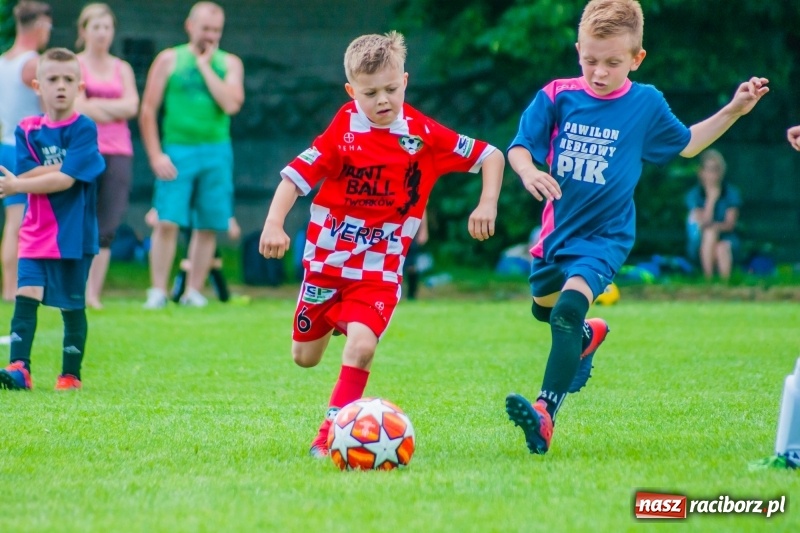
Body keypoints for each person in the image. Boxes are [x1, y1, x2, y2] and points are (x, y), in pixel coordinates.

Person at [505, 0, 768, 455]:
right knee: (545, 312)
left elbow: (687, 145)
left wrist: (734, 111)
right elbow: (519, 147)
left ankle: (545, 412)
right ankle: (588, 337)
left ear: (636, 58)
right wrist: (528, 171)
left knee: (567, 311)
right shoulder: (556, 95)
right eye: (590, 60)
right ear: (577, 51)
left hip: (605, 237)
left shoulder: (645, 103)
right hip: (556, 236)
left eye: (612, 62)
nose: (599, 72)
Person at [259, 31, 503, 458]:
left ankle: (328, 436)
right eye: (370, 93)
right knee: (305, 357)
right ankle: (338, 318)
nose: (383, 100)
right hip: (327, 265)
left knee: (363, 346)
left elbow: (491, 156)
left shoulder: (422, 133)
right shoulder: (343, 130)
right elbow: (295, 176)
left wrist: (487, 203)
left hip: (379, 272)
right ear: (352, 92)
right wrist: (274, 224)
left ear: (405, 81)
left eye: (391, 89)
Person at [0, 48, 105, 391]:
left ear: (80, 87)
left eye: (68, 80)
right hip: (35, 231)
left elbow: (66, 180)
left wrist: (20, 184)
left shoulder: (85, 129)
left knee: (71, 306)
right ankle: (19, 369)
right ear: (37, 86)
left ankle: (70, 376)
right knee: (25, 292)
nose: (61, 86)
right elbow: (32, 170)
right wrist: (59, 168)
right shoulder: (27, 129)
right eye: (53, 79)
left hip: (73, 236)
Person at [139, 1, 244, 309]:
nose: (210, 36)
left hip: (217, 151)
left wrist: (204, 66)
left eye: (216, 30)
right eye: (205, 29)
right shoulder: (169, 59)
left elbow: (231, 104)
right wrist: (156, 155)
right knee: (167, 220)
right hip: (177, 149)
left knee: (208, 222)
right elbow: (148, 110)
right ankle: (158, 290)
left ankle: (193, 292)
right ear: (190, 26)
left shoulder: (230, 63)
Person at [74, 2, 139, 309]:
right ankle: (73, 287)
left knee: (107, 224)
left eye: (107, 27)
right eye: (96, 27)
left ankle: (93, 294)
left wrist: (95, 107)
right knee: (78, 218)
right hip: (83, 150)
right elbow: (78, 106)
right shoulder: (74, 65)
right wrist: (111, 109)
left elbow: (132, 106)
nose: (102, 33)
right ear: (83, 30)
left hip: (118, 151)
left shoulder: (121, 68)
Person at [0, 1, 52, 302]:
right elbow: (47, 112)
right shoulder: (33, 63)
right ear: (40, 26)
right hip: (24, 151)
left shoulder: (4, 60)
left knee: (13, 222)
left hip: (5, 145)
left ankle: (11, 287)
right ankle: (12, 290)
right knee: (19, 223)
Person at [685, 149, 741, 282]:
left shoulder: (731, 194)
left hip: (727, 240)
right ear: (701, 172)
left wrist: (714, 227)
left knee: (722, 247)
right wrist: (711, 199)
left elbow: (729, 225)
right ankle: (709, 281)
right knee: (709, 233)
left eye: (717, 169)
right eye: (710, 169)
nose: (714, 174)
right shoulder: (694, 195)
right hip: (699, 242)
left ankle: (723, 287)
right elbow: (703, 223)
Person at [403, 209, 428, 300]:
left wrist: (424, 231)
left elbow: (423, 209)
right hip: (394, 230)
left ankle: (411, 295)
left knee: (411, 266)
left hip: (411, 232)